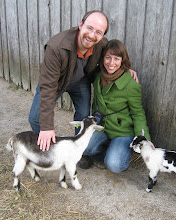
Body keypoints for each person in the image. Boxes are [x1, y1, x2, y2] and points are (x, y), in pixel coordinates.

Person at [29, 10, 138, 152]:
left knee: (83, 117)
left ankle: (78, 150)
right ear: (81, 25)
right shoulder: (56, 47)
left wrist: (125, 69)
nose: (92, 35)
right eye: (90, 28)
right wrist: (47, 127)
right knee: (36, 118)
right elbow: (48, 87)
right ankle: (47, 148)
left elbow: (115, 55)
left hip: (80, 81)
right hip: (56, 83)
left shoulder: (102, 44)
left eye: (99, 32)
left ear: (103, 35)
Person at [78, 39, 154, 173]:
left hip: (122, 131)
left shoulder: (131, 84)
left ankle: (119, 150)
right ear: (102, 59)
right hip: (102, 126)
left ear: (122, 60)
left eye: (116, 59)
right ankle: (103, 153)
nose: (111, 63)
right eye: (108, 57)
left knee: (114, 165)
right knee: (84, 146)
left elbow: (138, 113)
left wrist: (144, 138)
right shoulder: (97, 75)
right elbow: (86, 67)